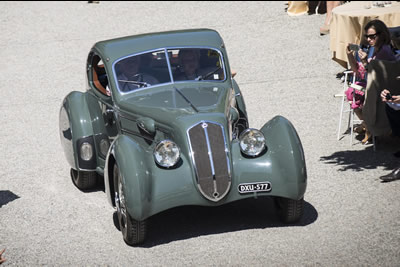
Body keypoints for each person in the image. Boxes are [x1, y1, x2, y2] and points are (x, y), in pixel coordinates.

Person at [346, 19, 396, 144]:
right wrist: (350, 55)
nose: (368, 39)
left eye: (372, 36)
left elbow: (375, 74)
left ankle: (368, 125)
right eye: (367, 36)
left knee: (353, 93)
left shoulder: (384, 50)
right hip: (373, 84)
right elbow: (357, 70)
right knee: (352, 91)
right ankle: (367, 124)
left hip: (380, 87)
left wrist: (364, 62)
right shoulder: (375, 48)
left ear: (381, 35)